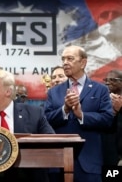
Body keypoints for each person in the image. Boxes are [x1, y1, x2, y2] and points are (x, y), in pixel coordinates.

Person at [44, 45, 114, 182]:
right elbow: (45, 120)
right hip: (58, 162)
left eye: (70, 58)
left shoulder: (100, 90)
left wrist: (81, 115)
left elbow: (107, 119)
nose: (65, 63)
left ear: (83, 63)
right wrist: (65, 109)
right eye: (63, 59)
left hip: (89, 163)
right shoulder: (54, 92)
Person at [102, 69, 122, 166]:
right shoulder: (104, 102)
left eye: (113, 80)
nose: (108, 82)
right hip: (108, 154)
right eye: (106, 80)